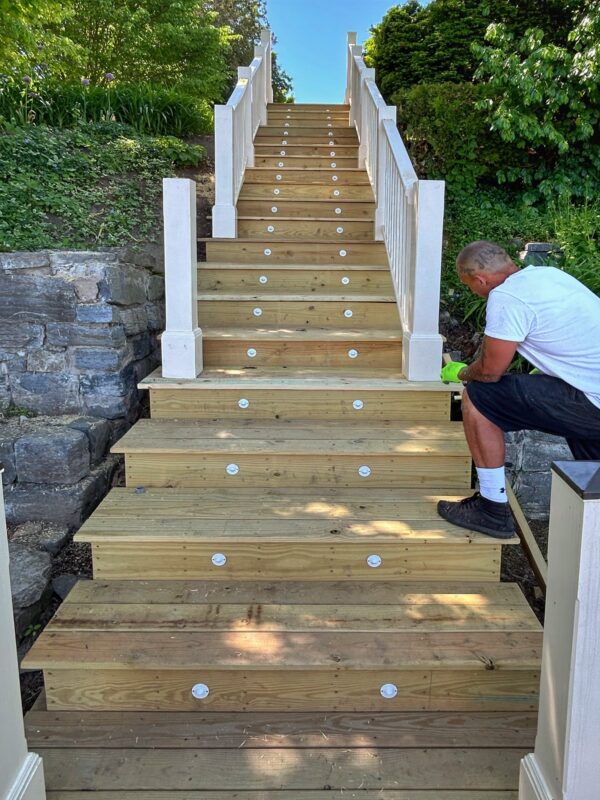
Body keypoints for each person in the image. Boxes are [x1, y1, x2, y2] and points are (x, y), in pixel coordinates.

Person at [437, 240, 600, 539]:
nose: (475, 291)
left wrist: (461, 371)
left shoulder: (505, 297)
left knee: (480, 396)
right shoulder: (548, 275)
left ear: (480, 279)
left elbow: (488, 372)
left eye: (470, 285)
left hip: (593, 400)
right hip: (592, 389)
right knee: (593, 472)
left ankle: (492, 509)